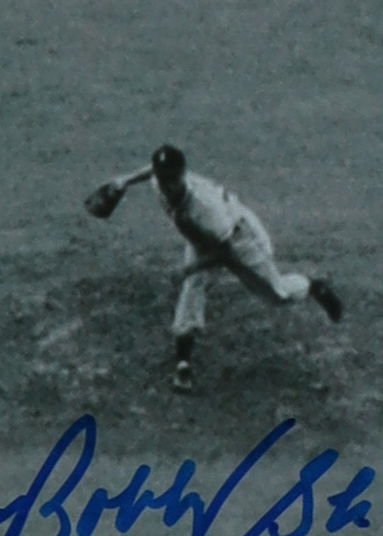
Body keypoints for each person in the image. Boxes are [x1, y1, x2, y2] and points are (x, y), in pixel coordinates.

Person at [83, 143, 344, 385]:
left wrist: (190, 268)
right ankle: (183, 363)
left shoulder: (204, 209)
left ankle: (313, 287)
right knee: (192, 288)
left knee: (277, 294)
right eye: (163, 179)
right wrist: (125, 181)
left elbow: (223, 251)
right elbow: (154, 170)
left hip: (239, 239)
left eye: (172, 180)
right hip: (204, 239)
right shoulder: (161, 181)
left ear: (181, 176)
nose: (166, 186)